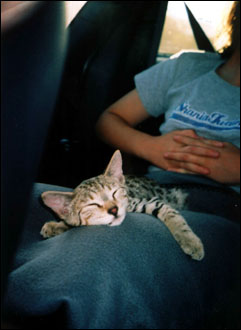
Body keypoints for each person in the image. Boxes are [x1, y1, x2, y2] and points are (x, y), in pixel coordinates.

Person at [4, 2, 240, 329]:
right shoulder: (188, 68)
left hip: (221, 206)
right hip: (149, 188)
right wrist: (152, 147)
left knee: (103, 249)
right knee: (22, 203)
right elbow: (108, 120)